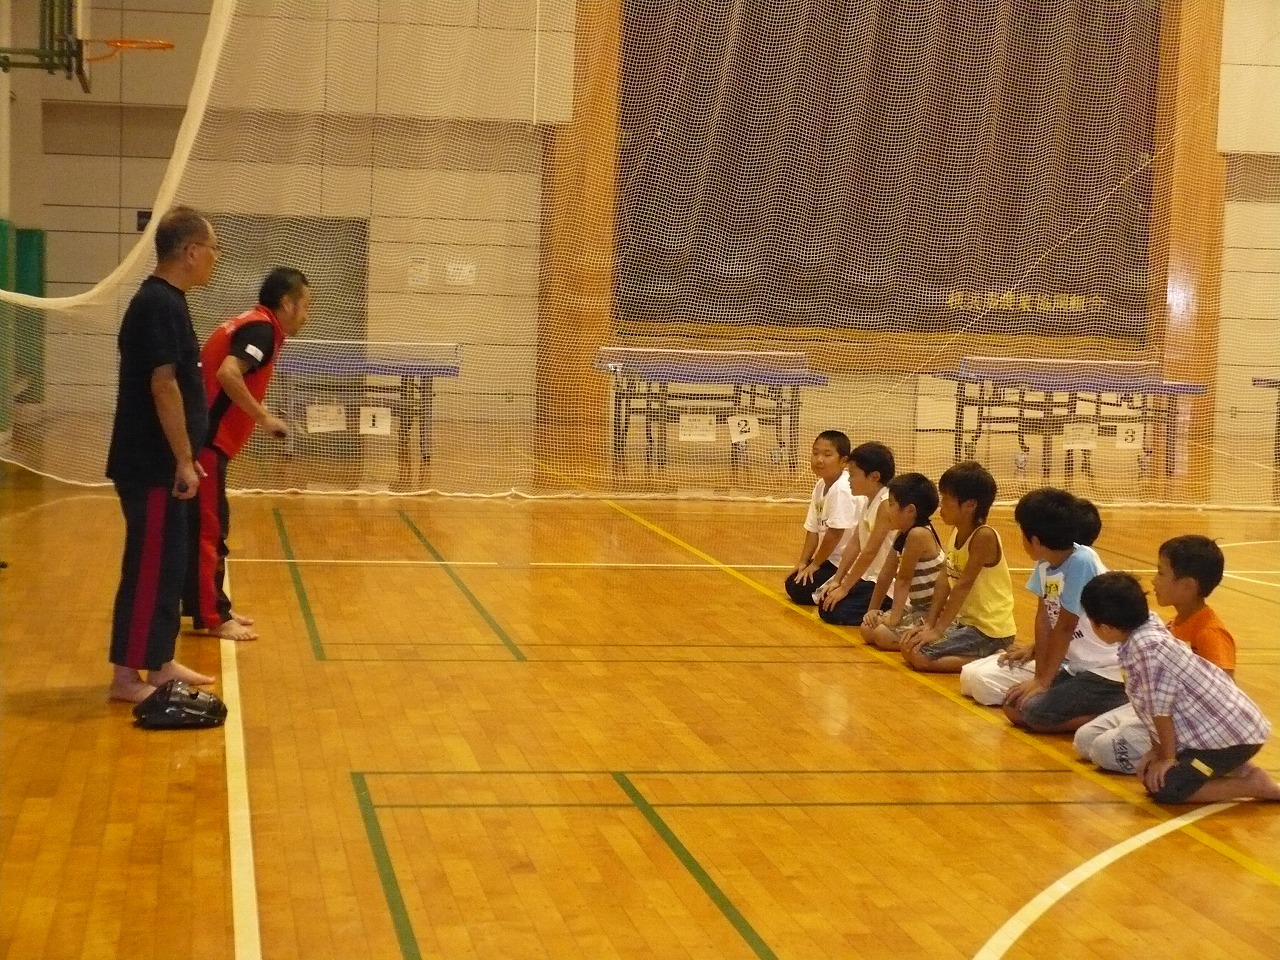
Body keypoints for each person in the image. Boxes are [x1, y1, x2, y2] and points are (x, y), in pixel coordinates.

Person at [105, 207, 221, 703]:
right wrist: (181, 459)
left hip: (167, 464)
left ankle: (158, 660)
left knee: (170, 563)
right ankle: (126, 677)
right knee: (150, 566)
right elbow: (163, 386)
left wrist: (187, 457)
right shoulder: (156, 304)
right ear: (190, 252)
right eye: (212, 249)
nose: (215, 258)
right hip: (151, 464)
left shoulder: (172, 302)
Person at [184, 268, 311, 641]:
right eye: (305, 306)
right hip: (206, 442)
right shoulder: (262, 330)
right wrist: (264, 417)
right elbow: (228, 374)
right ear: (286, 303)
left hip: (204, 439)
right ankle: (213, 616)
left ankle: (207, 604)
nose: (307, 315)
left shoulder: (253, 323)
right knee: (210, 529)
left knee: (203, 527)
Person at [1079, 572, 1280, 803]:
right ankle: (1241, 771)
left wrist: (1166, 758)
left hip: (1231, 738)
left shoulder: (1147, 651)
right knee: (1152, 777)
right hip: (1214, 737)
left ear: (1107, 628)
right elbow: (1148, 709)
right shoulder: (1143, 629)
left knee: (1167, 788)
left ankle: (1253, 785)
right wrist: (1156, 751)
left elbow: (1160, 712)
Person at [959, 487, 1127, 732]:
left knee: (1029, 711)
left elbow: (1065, 625)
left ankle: (1121, 709)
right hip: (1075, 665)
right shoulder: (1044, 562)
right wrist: (1038, 662)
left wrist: (1042, 681)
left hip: (1106, 671)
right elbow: (1044, 617)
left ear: (1035, 541)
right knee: (1000, 695)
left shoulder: (1082, 560)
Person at [1074, 535, 1236, 773]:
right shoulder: (1168, 625)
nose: (1153, 580)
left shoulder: (1210, 632)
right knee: (1084, 740)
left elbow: (1223, 691)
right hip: (1155, 711)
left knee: (1102, 751)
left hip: (1185, 720)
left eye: (1161, 573)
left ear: (1188, 586)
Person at [900, 461, 1017, 672]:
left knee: (920, 656)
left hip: (989, 630)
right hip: (966, 625)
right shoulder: (957, 531)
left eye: (946, 499)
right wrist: (930, 624)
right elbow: (944, 580)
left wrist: (938, 631)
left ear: (970, 505)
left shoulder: (984, 536)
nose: (941, 506)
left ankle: (993, 656)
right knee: (909, 647)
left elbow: (963, 585)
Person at [861, 473, 945, 651]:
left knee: (882, 634)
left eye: (892, 504)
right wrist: (872, 610)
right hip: (917, 609)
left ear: (910, 511)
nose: (887, 509)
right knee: (867, 628)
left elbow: (903, 580)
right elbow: (886, 573)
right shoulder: (903, 533)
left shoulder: (918, 534)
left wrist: (894, 620)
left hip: (934, 613)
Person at [816, 442, 897, 625]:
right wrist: (838, 580)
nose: (849, 480)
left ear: (874, 477)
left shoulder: (886, 503)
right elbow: (855, 543)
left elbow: (870, 551)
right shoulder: (868, 500)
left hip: (887, 583)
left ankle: (890, 610)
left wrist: (845, 588)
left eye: (852, 475)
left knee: (834, 611)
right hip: (870, 578)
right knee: (826, 601)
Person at [785, 430, 858, 606]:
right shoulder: (820, 485)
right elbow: (813, 529)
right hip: (830, 559)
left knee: (801, 590)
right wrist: (803, 562)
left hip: (847, 562)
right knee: (795, 582)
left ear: (843, 461)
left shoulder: (842, 488)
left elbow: (835, 533)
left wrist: (815, 564)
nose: (819, 460)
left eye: (827, 455)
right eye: (815, 453)